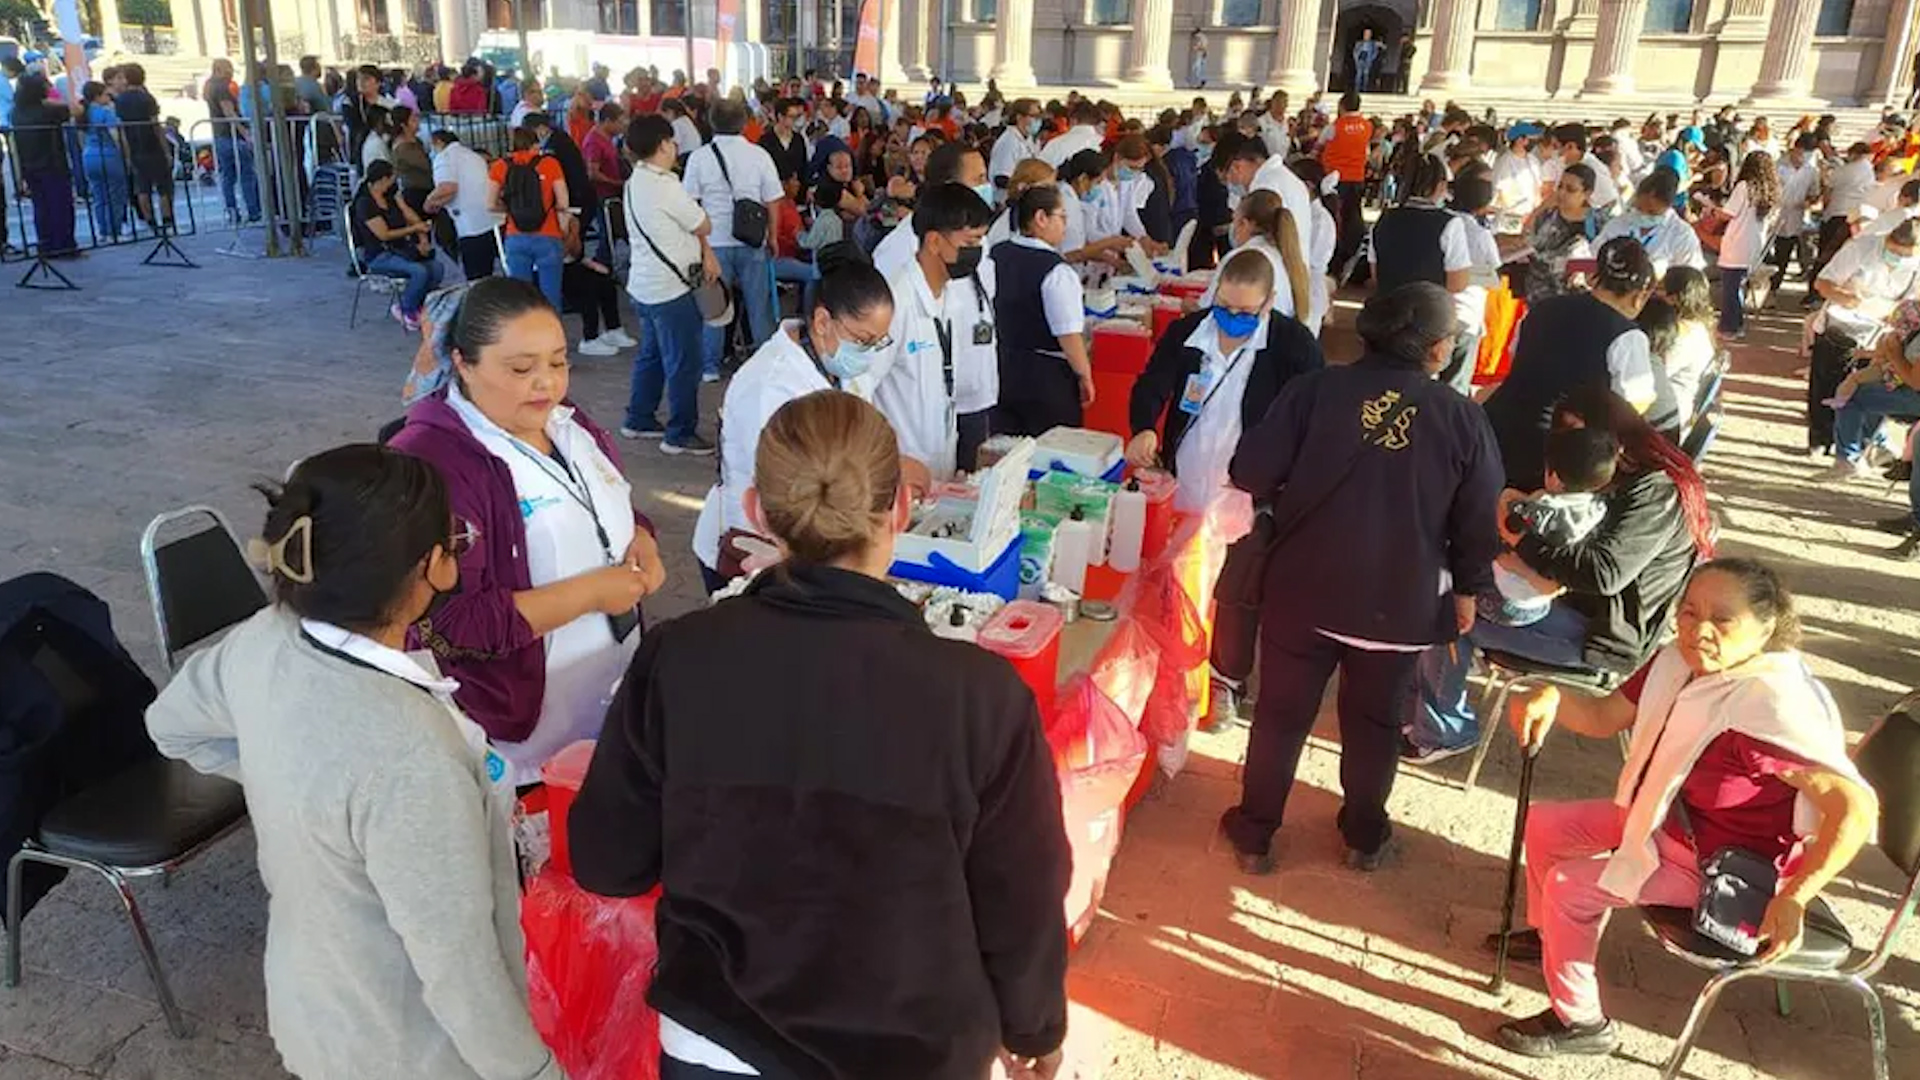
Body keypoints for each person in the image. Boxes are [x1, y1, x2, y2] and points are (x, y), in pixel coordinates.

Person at [573, 388, 1070, 1079]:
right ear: (900, 510)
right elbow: (1021, 896)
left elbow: (608, 859)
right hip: (913, 1046)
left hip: (719, 1040)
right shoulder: (980, 695)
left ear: (757, 514)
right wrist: (1036, 1026)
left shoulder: (678, 657)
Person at [144, 445, 565, 1080]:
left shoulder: (263, 639)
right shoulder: (411, 756)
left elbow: (170, 727)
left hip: (314, 1007)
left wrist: (287, 780)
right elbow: (458, 966)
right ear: (435, 568)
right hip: (410, 1051)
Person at [1490, 559, 1877, 1058]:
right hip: (1662, 816)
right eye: (1689, 612)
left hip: (1721, 865)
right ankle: (1550, 941)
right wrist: (1549, 696)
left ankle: (1581, 1021)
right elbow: (1605, 716)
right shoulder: (1677, 662)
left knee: (1571, 886)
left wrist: (1798, 896)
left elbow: (1855, 810)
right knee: (1544, 825)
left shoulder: (1771, 705)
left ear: (1765, 626)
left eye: (1722, 619)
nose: (1699, 630)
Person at [1219, 283, 1503, 872]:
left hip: (1304, 590)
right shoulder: (1462, 418)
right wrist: (1470, 590)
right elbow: (1478, 519)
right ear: (1432, 350)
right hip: (1400, 604)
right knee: (1375, 720)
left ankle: (1255, 833)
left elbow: (1250, 469)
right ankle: (1363, 837)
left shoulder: (1313, 390)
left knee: (1280, 714)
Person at [389, 278, 665, 785]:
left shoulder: (568, 423)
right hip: (520, 736)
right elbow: (446, 623)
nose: (548, 383)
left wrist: (641, 537)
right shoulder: (431, 459)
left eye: (558, 362)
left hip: (609, 695)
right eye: (522, 369)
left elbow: (604, 502)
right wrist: (590, 593)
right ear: (464, 363)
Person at [1409, 386, 1714, 759]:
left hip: (1602, 637)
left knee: (1446, 614)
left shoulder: (1655, 490)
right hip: (1574, 607)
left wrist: (1517, 541)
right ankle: (1422, 699)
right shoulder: (1615, 473)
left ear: (1613, 436)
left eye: (1577, 435)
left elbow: (1604, 574)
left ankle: (1445, 731)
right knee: (1456, 585)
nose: (1571, 446)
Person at [1485, 237, 1662, 490]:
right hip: (1558, 454)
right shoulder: (1627, 336)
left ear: (1594, 277)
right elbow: (1632, 405)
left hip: (1496, 425)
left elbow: (1515, 360)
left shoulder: (1542, 308)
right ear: (1640, 297)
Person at [862, 183, 996, 479]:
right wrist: (889, 462)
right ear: (934, 241)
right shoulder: (896, 302)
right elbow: (859, 391)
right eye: (971, 241)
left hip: (938, 465)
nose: (977, 252)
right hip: (900, 470)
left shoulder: (949, 295)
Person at [622, 114, 720, 455]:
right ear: (663, 145)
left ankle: (639, 417)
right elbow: (703, 223)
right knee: (683, 362)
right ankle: (679, 433)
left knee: (651, 356)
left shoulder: (634, 180)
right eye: (673, 140)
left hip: (644, 287)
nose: (676, 146)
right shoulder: (666, 185)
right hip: (672, 290)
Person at [684, 98, 787, 379]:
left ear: (710, 122)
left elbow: (690, 204)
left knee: (715, 308)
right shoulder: (759, 155)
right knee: (758, 306)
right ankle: (764, 366)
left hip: (713, 242)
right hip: (752, 241)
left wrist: (700, 246)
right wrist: (773, 237)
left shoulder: (699, 157)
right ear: (744, 123)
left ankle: (710, 367)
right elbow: (773, 201)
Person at [1480, 426, 1620, 628]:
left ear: (1553, 476)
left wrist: (1508, 497)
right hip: (1537, 608)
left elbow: (1507, 522)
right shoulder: (1597, 511)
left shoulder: (1542, 510)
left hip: (1504, 601)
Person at [1808, 219, 1920, 455]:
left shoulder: (1916, 265)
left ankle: (1859, 444)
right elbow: (1823, 283)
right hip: (1843, 326)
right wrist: (1850, 299)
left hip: (1884, 335)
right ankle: (1821, 438)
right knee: (1828, 384)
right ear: (1888, 239)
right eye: (1893, 252)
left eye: (1903, 255)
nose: (1896, 258)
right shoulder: (1862, 247)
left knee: (1869, 390)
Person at [993, 185, 1095, 436]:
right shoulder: (1057, 271)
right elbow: (1068, 335)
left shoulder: (996, 253)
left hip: (1000, 366)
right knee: (1050, 452)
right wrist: (1085, 375)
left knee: (1009, 452)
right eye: (1061, 217)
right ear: (1040, 218)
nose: (1065, 225)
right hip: (1046, 378)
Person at [872, 139, 993, 277]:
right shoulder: (900, 248)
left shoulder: (975, 233)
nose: (986, 186)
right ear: (951, 187)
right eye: (979, 179)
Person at [352, 160, 444, 329]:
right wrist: (413, 229)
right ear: (382, 180)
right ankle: (406, 308)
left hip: (401, 249)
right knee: (419, 271)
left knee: (436, 267)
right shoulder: (365, 203)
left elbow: (410, 215)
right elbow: (383, 234)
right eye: (391, 179)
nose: (394, 182)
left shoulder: (391, 196)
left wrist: (422, 236)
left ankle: (420, 305)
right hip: (379, 254)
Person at [1197, 189, 1310, 324]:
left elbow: (1207, 307)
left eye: (1234, 221)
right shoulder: (1285, 255)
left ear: (1244, 224)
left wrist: (1185, 305)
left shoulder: (1240, 257)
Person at [488, 127, 570, 309]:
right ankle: (552, 335)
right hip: (548, 235)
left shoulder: (500, 166)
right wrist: (563, 230)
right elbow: (563, 203)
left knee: (521, 300)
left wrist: (510, 209)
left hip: (515, 235)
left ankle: (525, 335)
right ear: (535, 144)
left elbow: (490, 204)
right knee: (551, 298)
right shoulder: (550, 163)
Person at [1369, 153, 1471, 297]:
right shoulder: (1451, 224)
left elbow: (1376, 276)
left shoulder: (1384, 219)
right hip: (1429, 310)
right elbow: (1457, 284)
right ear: (1441, 186)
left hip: (1388, 308)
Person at [1710, 150, 1780, 341]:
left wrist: (1713, 209)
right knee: (1737, 286)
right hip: (1754, 243)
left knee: (1731, 288)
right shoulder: (1770, 190)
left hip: (1737, 241)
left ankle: (1730, 326)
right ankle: (1736, 323)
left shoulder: (1744, 187)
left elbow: (1728, 214)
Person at [1594, 168, 1706, 276]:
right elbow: (1593, 255)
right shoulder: (1618, 223)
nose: (1644, 214)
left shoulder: (1682, 235)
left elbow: (1690, 278)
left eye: (1652, 212)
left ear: (1668, 206)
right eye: (1639, 208)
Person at [1520, 162, 1601, 303]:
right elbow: (1527, 237)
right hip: (1536, 293)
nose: (1562, 193)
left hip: (1570, 298)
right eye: (1560, 186)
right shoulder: (1548, 213)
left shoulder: (1596, 223)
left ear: (1587, 194)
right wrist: (1542, 207)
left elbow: (1601, 262)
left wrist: (1577, 267)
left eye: (1570, 189)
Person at [427, 130, 502, 281]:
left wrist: (429, 201)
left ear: (439, 142)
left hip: (471, 225)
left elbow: (448, 188)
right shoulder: (473, 156)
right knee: (489, 271)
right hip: (492, 220)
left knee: (476, 277)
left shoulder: (444, 157)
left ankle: (480, 303)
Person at [111, 63, 173, 236]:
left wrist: (127, 153)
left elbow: (122, 129)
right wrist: (165, 148)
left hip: (135, 146)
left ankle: (150, 221)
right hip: (152, 145)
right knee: (163, 187)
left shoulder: (120, 100)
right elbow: (155, 124)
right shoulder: (147, 98)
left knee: (142, 187)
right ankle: (167, 220)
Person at [1655, 265, 1719, 430]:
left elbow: (1653, 377)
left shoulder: (1683, 336)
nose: (1653, 293)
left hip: (1668, 416)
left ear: (1675, 298)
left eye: (1660, 289)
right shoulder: (1697, 326)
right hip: (1672, 406)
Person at [204, 58, 262, 223]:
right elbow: (229, 113)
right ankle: (253, 211)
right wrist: (245, 134)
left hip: (220, 136)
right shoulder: (222, 87)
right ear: (220, 70)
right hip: (232, 136)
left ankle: (232, 211)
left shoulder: (209, 86)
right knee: (247, 175)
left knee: (228, 177)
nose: (231, 73)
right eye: (228, 69)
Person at [1768, 133, 1822, 291]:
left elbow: (1814, 194)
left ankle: (1774, 289)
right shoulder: (1778, 166)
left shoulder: (1811, 171)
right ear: (1795, 149)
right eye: (1802, 152)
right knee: (1765, 254)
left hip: (1795, 219)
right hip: (1773, 216)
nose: (1804, 157)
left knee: (1783, 256)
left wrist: (1809, 202)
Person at [77, 80, 129, 242]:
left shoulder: (82, 114)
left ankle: (102, 231)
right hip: (108, 155)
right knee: (116, 195)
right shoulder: (106, 113)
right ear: (98, 96)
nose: (109, 97)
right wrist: (125, 156)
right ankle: (115, 231)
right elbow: (115, 136)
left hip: (89, 155)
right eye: (106, 94)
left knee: (99, 196)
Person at [388, 106, 435, 214]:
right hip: (416, 192)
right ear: (404, 125)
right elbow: (427, 164)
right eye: (413, 120)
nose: (418, 122)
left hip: (426, 187)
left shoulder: (416, 141)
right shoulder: (404, 148)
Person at [758, 95, 809, 186]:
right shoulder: (765, 141)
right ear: (780, 116)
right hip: (772, 190)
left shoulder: (798, 139)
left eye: (796, 117)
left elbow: (803, 167)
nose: (794, 120)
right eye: (791, 116)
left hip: (796, 191)